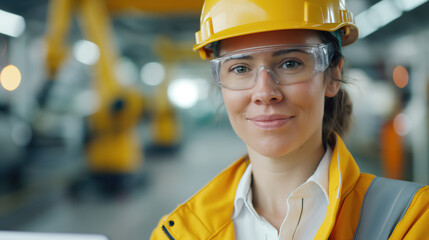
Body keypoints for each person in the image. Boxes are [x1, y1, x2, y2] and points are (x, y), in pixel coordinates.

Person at [151, 0, 429, 239]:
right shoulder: (181, 232)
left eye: (290, 63)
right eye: (240, 68)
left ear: (333, 76)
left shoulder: (408, 220)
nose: (264, 92)